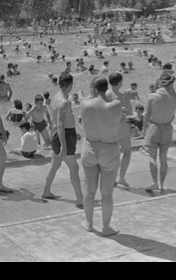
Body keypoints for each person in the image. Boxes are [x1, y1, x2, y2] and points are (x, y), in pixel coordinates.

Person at [80, 76, 122, 236]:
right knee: (106, 193)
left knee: (89, 191)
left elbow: (89, 98)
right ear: (107, 88)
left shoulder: (85, 105)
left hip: (90, 147)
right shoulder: (116, 105)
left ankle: (89, 223)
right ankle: (106, 227)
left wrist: (92, 92)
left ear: (94, 88)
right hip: (109, 149)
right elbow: (113, 96)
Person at [41, 72, 84, 208]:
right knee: (74, 167)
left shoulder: (55, 98)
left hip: (57, 135)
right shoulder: (64, 102)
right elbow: (60, 125)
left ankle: (46, 191)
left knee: (55, 165)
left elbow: (58, 122)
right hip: (63, 136)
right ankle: (80, 199)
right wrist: (64, 147)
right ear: (70, 85)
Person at [143, 72, 176, 193]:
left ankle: (154, 182)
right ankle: (162, 184)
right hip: (167, 128)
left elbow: (147, 116)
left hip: (154, 128)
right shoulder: (175, 97)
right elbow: (173, 112)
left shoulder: (152, 97)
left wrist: (144, 130)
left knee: (152, 157)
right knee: (163, 158)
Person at [106, 73, 132, 188]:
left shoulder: (105, 94)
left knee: (112, 154)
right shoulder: (122, 96)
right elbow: (130, 113)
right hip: (120, 126)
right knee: (126, 152)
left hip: (108, 127)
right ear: (120, 83)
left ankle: (110, 178)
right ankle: (121, 177)